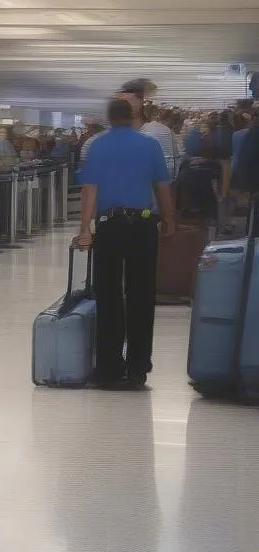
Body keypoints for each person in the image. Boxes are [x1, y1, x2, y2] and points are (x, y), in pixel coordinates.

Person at [77, 97, 175, 389]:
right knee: (142, 295)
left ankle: (108, 369)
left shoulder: (98, 146)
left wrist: (85, 229)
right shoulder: (150, 145)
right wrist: (169, 219)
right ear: (134, 116)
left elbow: (89, 189)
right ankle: (138, 368)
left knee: (108, 295)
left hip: (109, 225)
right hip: (144, 225)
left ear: (109, 119)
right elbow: (162, 187)